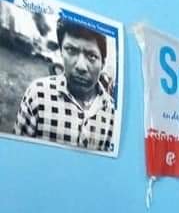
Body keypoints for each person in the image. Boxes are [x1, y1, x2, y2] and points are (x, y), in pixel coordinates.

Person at [14, 18, 116, 152]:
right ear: (61, 52)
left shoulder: (112, 112)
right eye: (71, 50)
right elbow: (16, 153)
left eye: (91, 56)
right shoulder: (38, 95)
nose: (80, 66)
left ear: (102, 64)